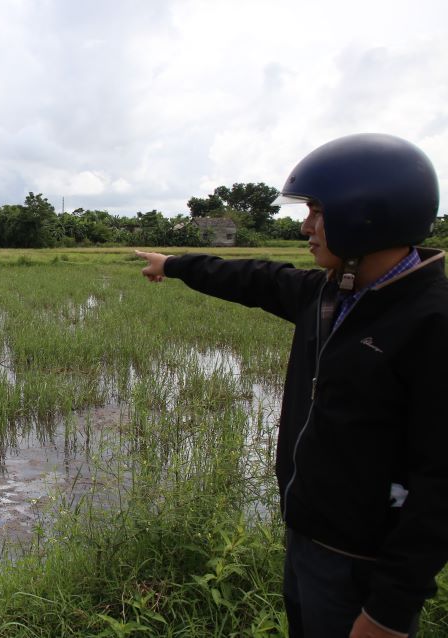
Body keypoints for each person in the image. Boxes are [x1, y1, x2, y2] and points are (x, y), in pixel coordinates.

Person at [136, 133, 447, 638]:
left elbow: (440, 487)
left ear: (365, 215)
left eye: (318, 212)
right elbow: (255, 279)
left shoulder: (431, 322)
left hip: (364, 566)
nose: (306, 227)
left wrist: (389, 611)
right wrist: (173, 265)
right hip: (306, 538)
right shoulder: (330, 295)